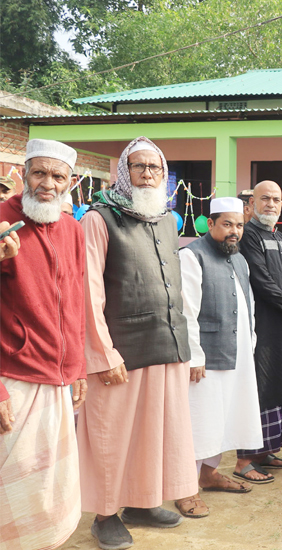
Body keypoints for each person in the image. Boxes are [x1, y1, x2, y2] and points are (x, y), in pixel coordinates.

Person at [77, 136, 197, 550]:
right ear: (124, 172)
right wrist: (102, 352)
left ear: (165, 176)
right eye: (139, 167)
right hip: (121, 350)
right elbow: (89, 290)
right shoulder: (99, 218)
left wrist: (187, 344)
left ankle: (142, 503)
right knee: (112, 435)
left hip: (166, 344)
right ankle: (105, 514)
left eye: (156, 168)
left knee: (155, 433)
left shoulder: (167, 219)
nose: (148, 174)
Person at [0, 139, 86, 550]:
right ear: (23, 174)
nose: (47, 184)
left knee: (47, 496)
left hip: (57, 382)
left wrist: (79, 365)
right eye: (39, 173)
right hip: (12, 379)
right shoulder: (1, 221)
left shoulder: (71, 228)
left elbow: (76, 301)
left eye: (58, 176)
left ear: (71, 182)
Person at [177, 197, 264, 518]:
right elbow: (185, 311)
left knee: (224, 417)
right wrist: (194, 356)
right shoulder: (191, 255)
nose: (234, 231)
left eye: (239, 225)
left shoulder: (239, 259)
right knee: (199, 421)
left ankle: (209, 474)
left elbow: (248, 304)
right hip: (205, 357)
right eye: (227, 224)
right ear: (210, 223)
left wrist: (250, 342)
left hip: (238, 353)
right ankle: (185, 487)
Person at [237, 180, 282, 477]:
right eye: (264, 199)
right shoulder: (248, 235)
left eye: (276, 200)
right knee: (261, 389)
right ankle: (245, 460)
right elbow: (260, 278)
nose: (271, 204)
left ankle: (266, 453)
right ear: (251, 204)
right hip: (263, 327)